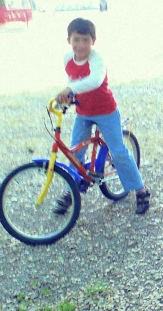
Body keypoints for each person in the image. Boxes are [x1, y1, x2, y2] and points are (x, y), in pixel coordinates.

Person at [55, 18, 151, 215]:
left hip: (106, 111)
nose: (80, 45)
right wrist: (68, 96)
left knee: (118, 151)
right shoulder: (67, 58)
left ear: (93, 41)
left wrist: (70, 88)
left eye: (85, 40)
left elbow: (95, 81)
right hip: (83, 111)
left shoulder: (97, 60)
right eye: (76, 39)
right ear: (68, 40)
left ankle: (141, 189)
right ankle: (72, 191)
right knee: (75, 153)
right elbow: (72, 79)